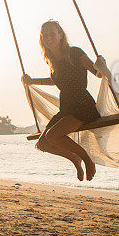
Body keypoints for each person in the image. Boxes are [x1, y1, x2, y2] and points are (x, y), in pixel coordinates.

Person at [22, 20, 105, 181]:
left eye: (52, 34)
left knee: (53, 136)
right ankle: (75, 159)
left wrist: (101, 65)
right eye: (44, 35)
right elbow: (57, 81)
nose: (48, 38)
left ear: (61, 35)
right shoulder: (52, 59)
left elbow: (97, 73)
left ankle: (87, 159)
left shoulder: (74, 53)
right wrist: (32, 81)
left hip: (83, 105)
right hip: (67, 107)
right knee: (43, 144)